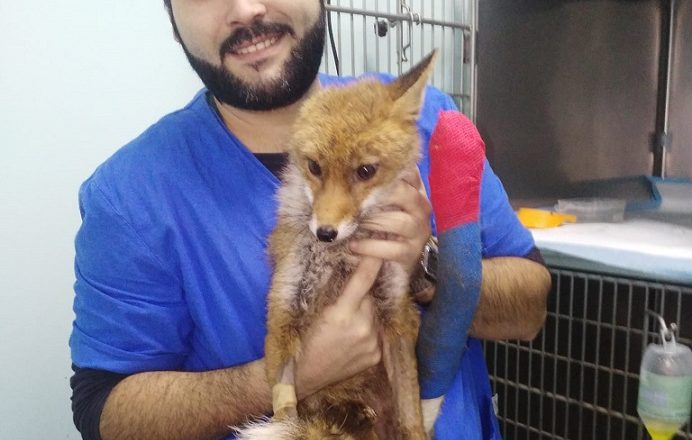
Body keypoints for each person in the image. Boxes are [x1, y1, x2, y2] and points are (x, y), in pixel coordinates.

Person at [69, 1, 551, 439]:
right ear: (172, 18)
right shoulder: (130, 195)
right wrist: (287, 375)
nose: (246, 9)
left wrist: (424, 268)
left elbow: (530, 311)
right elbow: (103, 413)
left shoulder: (424, 123)